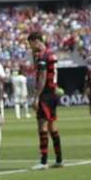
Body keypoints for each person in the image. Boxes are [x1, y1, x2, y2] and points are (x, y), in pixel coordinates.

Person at [28, 32, 64, 170]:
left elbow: (42, 77)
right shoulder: (51, 54)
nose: (30, 47)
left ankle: (43, 162)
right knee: (52, 127)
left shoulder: (43, 56)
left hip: (45, 94)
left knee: (42, 127)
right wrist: (34, 56)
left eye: (31, 44)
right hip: (53, 93)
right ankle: (59, 159)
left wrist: (36, 97)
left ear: (36, 41)